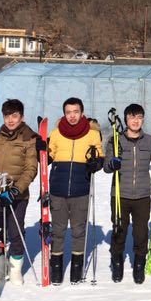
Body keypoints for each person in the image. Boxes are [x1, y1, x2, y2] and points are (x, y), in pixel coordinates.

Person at [47, 97, 103, 285]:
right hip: (58, 189)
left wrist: (97, 163)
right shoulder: (56, 133)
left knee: (79, 230)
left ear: (82, 113)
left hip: (81, 189)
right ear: (64, 113)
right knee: (58, 230)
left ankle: (77, 268)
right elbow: (49, 155)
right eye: (68, 112)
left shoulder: (92, 134)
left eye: (75, 112)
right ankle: (56, 267)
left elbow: (99, 155)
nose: (72, 116)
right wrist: (42, 150)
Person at [103, 103, 151, 284]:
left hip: (142, 195)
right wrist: (112, 164)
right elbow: (106, 167)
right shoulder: (115, 140)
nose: (135, 121)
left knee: (141, 232)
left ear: (143, 119)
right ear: (126, 119)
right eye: (131, 117)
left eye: (139, 117)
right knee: (119, 230)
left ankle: (139, 264)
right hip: (120, 195)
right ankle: (117, 262)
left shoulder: (149, 141)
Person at [0, 99, 38, 286]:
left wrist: (16, 190)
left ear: (22, 117)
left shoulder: (28, 138)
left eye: (14, 116)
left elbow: (31, 169)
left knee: (15, 231)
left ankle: (15, 269)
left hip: (17, 195)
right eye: (7, 116)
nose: (10, 120)